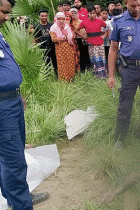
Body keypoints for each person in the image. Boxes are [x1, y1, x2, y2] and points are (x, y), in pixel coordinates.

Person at [0, 0, 50, 209]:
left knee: (14, 153)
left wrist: (15, 93)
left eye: (8, 13)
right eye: (3, 12)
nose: (5, 17)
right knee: (13, 161)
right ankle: (22, 204)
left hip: (11, 101)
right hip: (3, 109)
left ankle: (17, 197)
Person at [107, 0, 140, 147]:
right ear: (126, 3)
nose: (136, 9)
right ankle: (120, 137)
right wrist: (111, 76)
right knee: (125, 104)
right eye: (132, 6)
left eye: (139, 5)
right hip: (129, 70)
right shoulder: (119, 21)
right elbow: (113, 49)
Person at [76, 5, 107, 78]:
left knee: (102, 59)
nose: (92, 15)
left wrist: (104, 35)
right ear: (88, 14)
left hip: (100, 43)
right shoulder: (84, 22)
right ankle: (97, 75)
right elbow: (76, 30)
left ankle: (103, 75)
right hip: (91, 44)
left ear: (96, 13)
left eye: (93, 13)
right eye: (91, 13)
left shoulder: (100, 21)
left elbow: (107, 28)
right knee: (94, 60)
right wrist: (83, 36)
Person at [50, 12, 78, 81]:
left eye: (63, 19)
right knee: (62, 63)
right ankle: (64, 80)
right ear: (56, 19)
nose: (61, 21)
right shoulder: (53, 27)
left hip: (69, 47)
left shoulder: (66, 26)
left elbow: (70, 35)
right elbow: (54, 39)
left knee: (70, 62)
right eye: (59, 19)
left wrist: (65, 32)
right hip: (60, 48)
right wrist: (62, 38)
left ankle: (71, 78)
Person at [34, 8, 58, 76]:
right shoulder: (37, 26)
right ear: (39, 16)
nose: (44, 17)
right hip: (43, 48)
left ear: (47, 16)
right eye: (42, 16)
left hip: (52, 47)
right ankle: (47, 78)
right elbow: (35, 37)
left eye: (45, 16)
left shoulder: (52, 25)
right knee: (46, 64)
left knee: (55, 63)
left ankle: (58, 77)